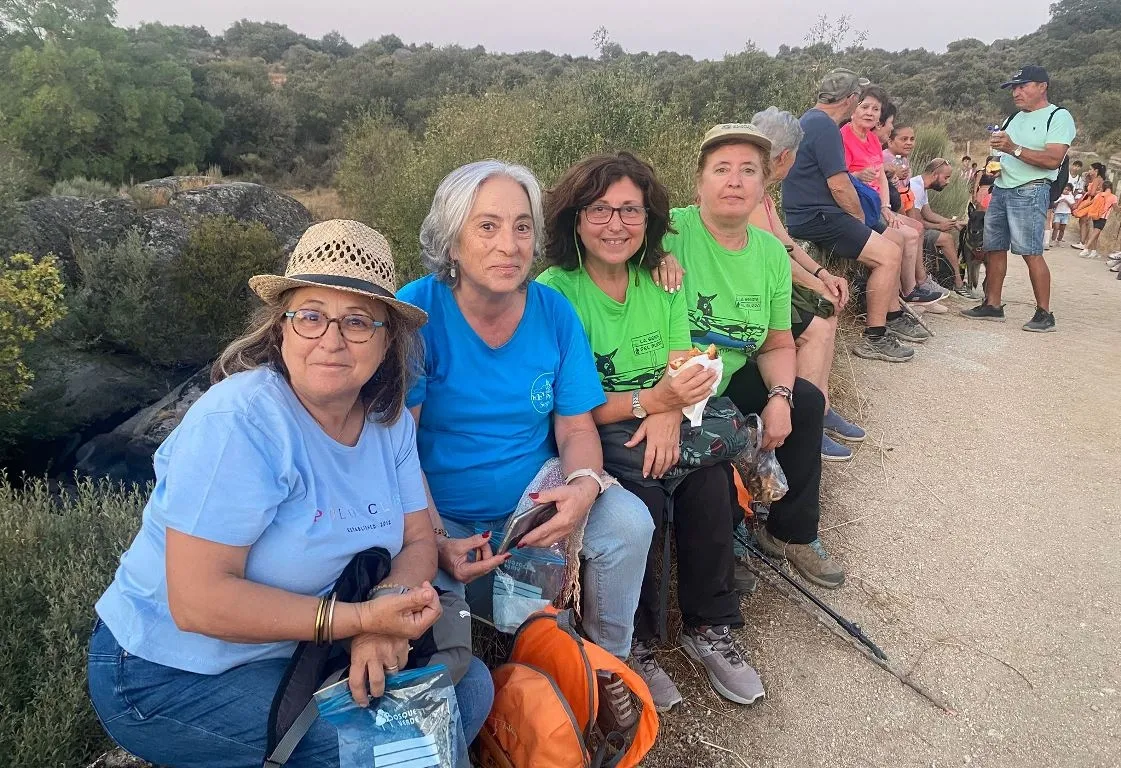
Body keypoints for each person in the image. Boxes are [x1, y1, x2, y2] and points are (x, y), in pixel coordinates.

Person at [87, 220, 494, 767]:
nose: (331, 339)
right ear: (281, 328)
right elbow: (198, 600)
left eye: (357, 321)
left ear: (386, 341)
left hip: (298, 649)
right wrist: (358, 623)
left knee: (469, 691)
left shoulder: (388, 421)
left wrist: (382, 614)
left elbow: (419, 540)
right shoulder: (242, 422)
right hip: (169, 671)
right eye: (310, 316)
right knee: (400, 744)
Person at [397, 160, 654, 663]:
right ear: (452, 241)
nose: (509, 245)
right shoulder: (417, 313)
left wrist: (582, 488)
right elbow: (398, 446)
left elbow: (576, 427)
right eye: (487, 226)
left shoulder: (553, 311)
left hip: (533, 506)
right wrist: (435, 538)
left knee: (629, 523)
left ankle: (608, 662)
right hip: (442, 517)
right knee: (434, 626)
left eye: (521, 227)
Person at [537, 151, 764, 712]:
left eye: (630, 211)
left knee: (708, 482)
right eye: (599, 210)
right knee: (643, 488)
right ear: (574, 218)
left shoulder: (663, 281)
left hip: (662, 415)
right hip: (597, 429)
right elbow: (569, 408)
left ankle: (709, 626)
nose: (615, 224)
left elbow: (682, 362)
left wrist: (666, 409)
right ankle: (634, 641)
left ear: (648, 219)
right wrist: (652, 402)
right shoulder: (555, 292)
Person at [667, 122, 846, 590]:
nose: (735, 181)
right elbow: (611, 239)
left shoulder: (768, 252)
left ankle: (789, 533)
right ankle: (727, 532)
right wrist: (652, 255)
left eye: (748, 170)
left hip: (731, 374)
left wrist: (780, 397)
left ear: (764, 184)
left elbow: (776, 342)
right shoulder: (671, 230)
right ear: (699, 181)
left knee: (806, 401)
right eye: (721, 169)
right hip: (676, 384)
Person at [782, 68, 927, 363]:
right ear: (849, 99)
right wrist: (859, 218)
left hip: (814, 212)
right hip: (818, 216)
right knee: (887, 255)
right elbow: (839, 185)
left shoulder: (811, 120)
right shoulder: (824, 127)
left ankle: (893, 315)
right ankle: (875, 337)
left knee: (893, 242)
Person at [751, 106, 866, 463]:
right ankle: (807, 425)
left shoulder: (764, 194)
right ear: (785, 156)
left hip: (766, 284)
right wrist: (817, 286)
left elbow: (785, 243)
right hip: (751, 292)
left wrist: (822, 275)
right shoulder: (751, 194)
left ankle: (821, 406)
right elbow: (773, 257)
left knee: (827, 312)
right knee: (816, 328)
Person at [961, 66, 1075, 332]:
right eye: (1013, 87)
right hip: (1002, 188)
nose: (1016, 92)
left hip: (1031, 189)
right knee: (994, 247)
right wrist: (995, 166)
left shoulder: (1058, 116)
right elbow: (1003, 154)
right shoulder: (1013, 118)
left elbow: (1053, 159)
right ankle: (992, 304)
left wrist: (1013, 148)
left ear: (1042, 86)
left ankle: (1044, 314)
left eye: (1023, 86)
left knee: (1030, 251)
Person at [840, 87, 937, 306]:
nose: (870, 112)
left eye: (875, 109)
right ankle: (905, 295)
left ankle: (906, 295)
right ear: (853, 109)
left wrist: (885, 207)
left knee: (908, 234)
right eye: (865, 107)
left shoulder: (873, 140)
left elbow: (881, 177)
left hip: (875, 206)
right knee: (904, 237)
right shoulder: (843, 137)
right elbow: (838, 178)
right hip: (856, 207)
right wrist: (857, 176)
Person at [908, 158, 971, 296]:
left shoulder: (921, 186)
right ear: (935, 174)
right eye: (946, 177)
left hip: (914, 229)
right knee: (946, 239)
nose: (948, 182)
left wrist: (953, 223)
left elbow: (928, 213)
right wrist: (939, 227)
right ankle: (958, 283)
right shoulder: (916, 188)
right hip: (910, 231)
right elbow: (915, 221)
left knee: (947, 238)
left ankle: (955, 281)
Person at [1078, 180, 1116, 258]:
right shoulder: (1113, 197)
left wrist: (1081, 208)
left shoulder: (1099, 194)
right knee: (1095, 234)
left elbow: (1091, 203)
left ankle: (1094, 251)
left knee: (1096, 235)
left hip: (1095, 216)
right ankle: (1086, 249)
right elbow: (1116, 208)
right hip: (1103, 217)